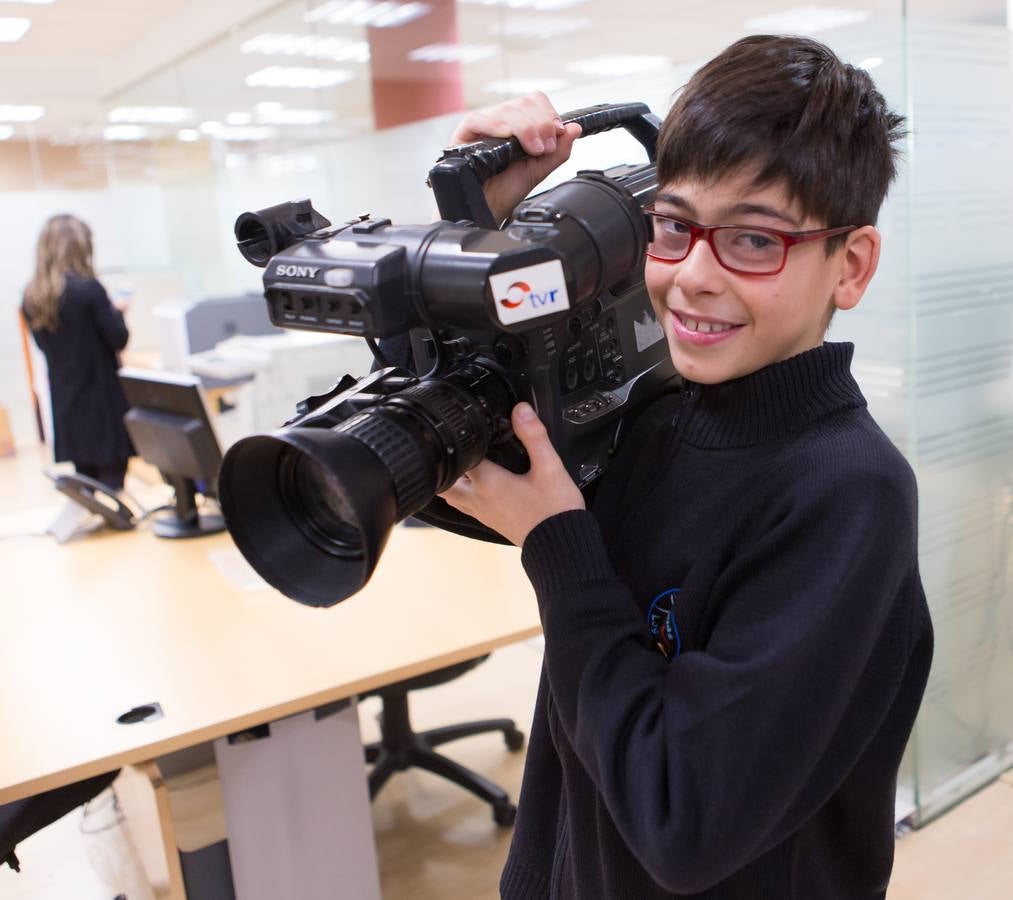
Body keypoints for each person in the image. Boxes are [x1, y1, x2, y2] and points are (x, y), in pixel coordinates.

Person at [439, 35, 934, 899]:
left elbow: (683, 823)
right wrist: (486, 239)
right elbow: (457, 480)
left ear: (847, 266)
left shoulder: (847, 492)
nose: (690, 277)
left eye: (752, 240)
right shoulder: (660, 411)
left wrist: (560, 547)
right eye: (672, 227)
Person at [22, 214, 134, 491]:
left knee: (88, 488)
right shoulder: (89, 289)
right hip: (103, 405)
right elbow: (118, 339)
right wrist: (117, 312)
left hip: (67, 404)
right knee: (112, 490)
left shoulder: (33, 297)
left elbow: (42, 346)